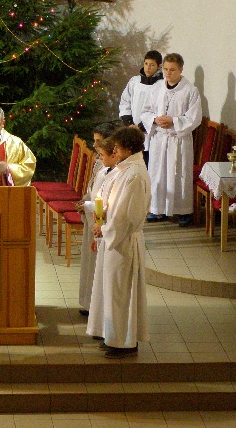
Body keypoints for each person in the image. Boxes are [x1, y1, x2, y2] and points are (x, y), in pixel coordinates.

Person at [86, 127, 151, 359]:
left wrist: (104, 228)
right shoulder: (125, 169)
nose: (114, 151)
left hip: (123, 241)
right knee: (112, 291)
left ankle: (124, 342)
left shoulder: (135, 175)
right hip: (114, 237)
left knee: (122, 293)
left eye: (117, 147)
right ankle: (112, 336)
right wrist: (102, 219)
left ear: (128, 148)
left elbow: (126, 216)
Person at [140, 53, 202, 227]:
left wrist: (173, 121)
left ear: (181, 70)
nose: (168, 73)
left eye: (172, 70)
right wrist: (154, 119)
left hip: (178, 140)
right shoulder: (157, 88)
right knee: (157, 174)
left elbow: (194, 118)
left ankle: (183, 211)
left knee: (179, 174)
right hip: (159, 139)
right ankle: (157, 209)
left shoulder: (190, 90)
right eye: (166, 69)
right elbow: (145, 111)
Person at [76, 133, 118, 317]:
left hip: (100, 223)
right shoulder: (101, 166)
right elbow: (93, 190)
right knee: (89, 264)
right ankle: (89, 303)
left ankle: (96, 307)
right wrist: (85, 200)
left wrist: (88, 205)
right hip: (92, 218)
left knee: (97, 267)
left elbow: (107, 201)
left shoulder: (115, 172)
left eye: (99, 143)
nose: (95, 146)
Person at [118, 50, 164, 167]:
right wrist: (130, 124)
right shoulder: (134, 81)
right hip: (132, 129)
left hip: (150, 133)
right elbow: (125, 102)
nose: (148, 68)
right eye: (146, 63)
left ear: (159, 66)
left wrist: (141, 127)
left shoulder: (162, 85)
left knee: (147, 165)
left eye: (152, 65)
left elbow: (160, 110)